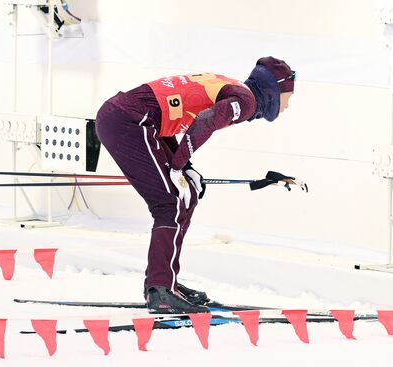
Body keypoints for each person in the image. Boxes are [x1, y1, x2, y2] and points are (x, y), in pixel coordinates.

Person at [95, 56, 295, 313]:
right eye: (288, 97)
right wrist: (179, 165)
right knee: (168, 204)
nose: (287, 106)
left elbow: (169, 114)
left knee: (186, 196)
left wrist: (186, 169)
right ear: (274, 91)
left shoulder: (237, 89)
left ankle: (167, 282)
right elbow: (206, 119)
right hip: (131, 121)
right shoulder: (246, 101)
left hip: (137, 119)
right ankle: (160, 290)